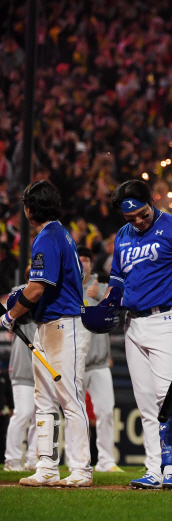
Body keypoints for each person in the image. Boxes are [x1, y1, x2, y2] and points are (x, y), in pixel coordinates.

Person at [105, 179, 172, 490]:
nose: (138, 222)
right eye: (130, 218)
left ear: (151, 203)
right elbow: (118, 278)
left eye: (142, 214)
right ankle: (153, 468)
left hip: (168, 318)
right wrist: (111, 300)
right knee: (146, 403)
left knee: (170, 399)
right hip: (133, 323)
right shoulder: (123, 236)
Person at [1, 181, 92, 487]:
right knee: (45, 400)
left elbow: (38, 288)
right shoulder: (59, 234)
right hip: (50, 326)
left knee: (69, 398)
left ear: (29, 209)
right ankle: (47, 467)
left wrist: (11, 314)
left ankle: (81, 469)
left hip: (64, 326)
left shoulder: (48, 237)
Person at [77, 246, 122, 473]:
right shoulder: (68, 287)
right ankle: (78, 461)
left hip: (100, 361)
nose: (83, 263)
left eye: (86, 260)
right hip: (75, 362)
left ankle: (106, 461)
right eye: (80, 260)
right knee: (76, 414)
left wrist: (99, 298)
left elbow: (115, 311)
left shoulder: (102, 287)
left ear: (91, 263)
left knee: (105, 411)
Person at [3, 299, 38, 472]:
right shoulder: (18, 302)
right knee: (23, 413)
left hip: (42, 372)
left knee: (40, 417)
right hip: (23, 368)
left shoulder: (49, 302)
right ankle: (12, 459)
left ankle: (33, 459)